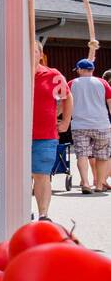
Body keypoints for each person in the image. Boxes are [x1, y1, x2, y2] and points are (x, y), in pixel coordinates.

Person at [31, 41, 72, 221]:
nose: (29, 54)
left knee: (41, 174)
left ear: (41, 54)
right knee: (21, 177)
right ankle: (22, 210)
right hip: (17, 136)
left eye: (33, 51)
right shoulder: (13, 73)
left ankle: (43, 214)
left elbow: (67, 97)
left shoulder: (53, 75)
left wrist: (65, 121)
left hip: (45, 135)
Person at [68, 58, 111, 195]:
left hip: (80, 125)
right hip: (101, 124)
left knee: (82, 154)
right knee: (102, 155)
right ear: (92, 70)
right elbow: (110, 103)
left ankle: (85, 183)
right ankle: (99, 185)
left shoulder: (72, 84)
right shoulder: (103, 83)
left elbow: (65, 104)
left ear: (80, 69)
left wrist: (60, 118)